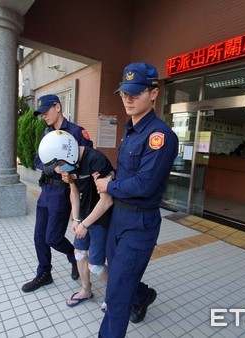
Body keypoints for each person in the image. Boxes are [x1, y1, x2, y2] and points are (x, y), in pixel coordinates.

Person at [94, 62, 178, 337]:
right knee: (119, 274)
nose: (128, 99)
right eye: (124, 93)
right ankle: (143, 297)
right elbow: (128, 173)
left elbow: (144, 183)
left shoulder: (160, 136)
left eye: (136, 92)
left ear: (153, 94)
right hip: (119, 217)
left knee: (116, 294)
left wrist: (110, 184)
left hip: (140, 222)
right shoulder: (130, 130)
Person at [21, 94, 93, 293]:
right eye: (41, 113)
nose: (44, 115)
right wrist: (53, 168)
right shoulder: (46, 133)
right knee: (38, 237)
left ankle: (73, 256)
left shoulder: (77, 132)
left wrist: (70, 170)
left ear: (58, 107)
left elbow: (88, 159)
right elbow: (38, 160)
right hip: (46, 190)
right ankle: (44, 272)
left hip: (63, 192)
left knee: (52, 238)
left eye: (46, 111)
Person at [37, 130, 114, 309]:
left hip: (101, 218)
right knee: (79, 254)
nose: (58, 169)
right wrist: (76, 220)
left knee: (95, 264)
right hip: (84, 218)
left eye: (58, 165)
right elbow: (73, 191)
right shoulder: (69, 165)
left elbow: (107, 201)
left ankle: (114, 295)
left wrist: (85, 224)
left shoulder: (96, 160)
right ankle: (86, 290)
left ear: (66, 154)